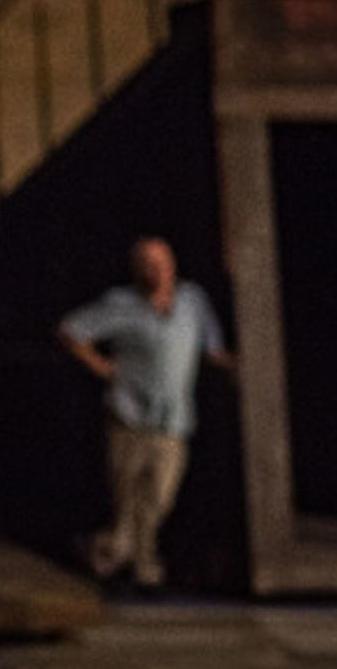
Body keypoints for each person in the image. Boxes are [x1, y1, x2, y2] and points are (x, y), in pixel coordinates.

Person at [57, 236, 232, 592]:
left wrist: (235, 366)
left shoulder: (192, 302)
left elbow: (212, 348)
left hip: (173, 419)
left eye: (162, 263)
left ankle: (103, 553)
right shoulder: (122, 305)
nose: (158, 271)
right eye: (148, 264)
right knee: (127, 499)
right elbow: (71, 330)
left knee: (159, 499)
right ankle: (143, 570)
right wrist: (101, 366)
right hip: (130, 414)